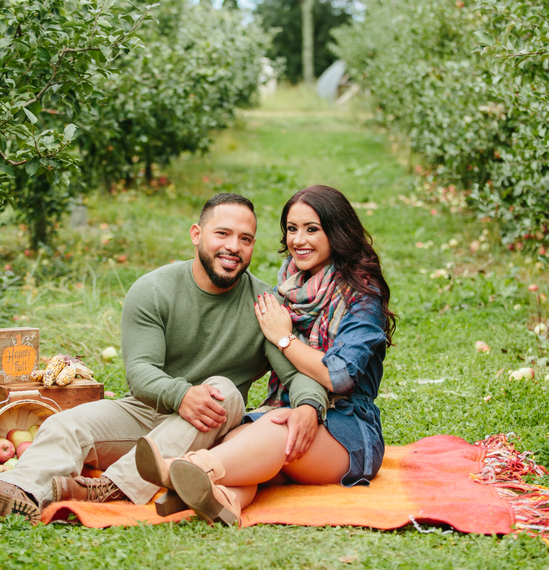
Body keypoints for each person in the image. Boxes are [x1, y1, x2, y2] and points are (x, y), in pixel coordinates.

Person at [0, 193, 328, 523]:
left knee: (222, 390)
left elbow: (296, 371)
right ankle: (17, 494)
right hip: (149, 409)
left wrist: (310, 406)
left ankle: (108, 487)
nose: (233, 247)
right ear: (197, 234)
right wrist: (179, 395)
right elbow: (140, 373)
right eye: (222, 233)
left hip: (215, 425)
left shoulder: (263, 304)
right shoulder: (153, 289)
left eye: (246, 239)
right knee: (67, 424)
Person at [136, 185, 396, 526]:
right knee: (238, 440)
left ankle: (185, 469)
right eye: (291, 229)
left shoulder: (363, 295)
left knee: (274, 434)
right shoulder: (287, 290)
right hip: (290, 408)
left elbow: (340, 375)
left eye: (312, 229)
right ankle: (225, 499)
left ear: (337, 232)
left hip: (347, 426)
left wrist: (285, 338)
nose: (298, 239)